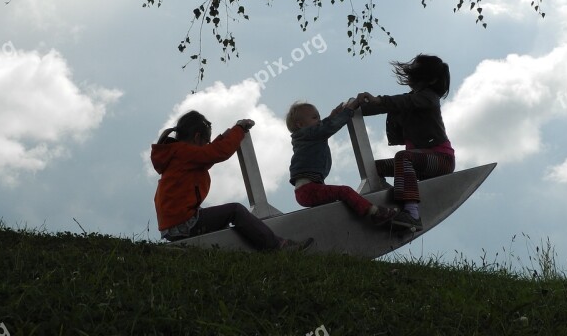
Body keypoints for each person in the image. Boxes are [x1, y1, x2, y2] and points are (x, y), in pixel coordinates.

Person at [151, 110, 313, 251]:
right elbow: (217, 152)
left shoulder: (177, 154)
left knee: (222, 220)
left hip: (173, 226)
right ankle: (278, 246)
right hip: (184, 224)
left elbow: (209, 153)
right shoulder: (184, 152)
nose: (207, 146)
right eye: (205, 142)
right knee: (235, 210)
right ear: (197, 137)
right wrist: (239, 130)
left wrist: (225, 136)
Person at [357, 54, 456, 230]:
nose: (410, 79)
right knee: (374, 168)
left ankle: (412, 214)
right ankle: (390, 201)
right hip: (419, 161)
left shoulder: (429, 98)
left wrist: (378, 99)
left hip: (441, 160)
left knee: (402, 158)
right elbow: (387, 106)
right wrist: (352, 109)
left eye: (415, 76)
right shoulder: (412, 99)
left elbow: (400, 102)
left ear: (430, 80)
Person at [286, 99, 398, 226]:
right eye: (314, 117)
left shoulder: (306, 136)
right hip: (308, 190)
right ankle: (375, 213)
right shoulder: (309, 134)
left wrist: (332, 116)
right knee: (344, 191)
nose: (319, 120)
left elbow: (323, 126)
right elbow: (328, 127)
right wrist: (348, 111)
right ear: (300, 124)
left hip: (308, 189)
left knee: (337, 201)